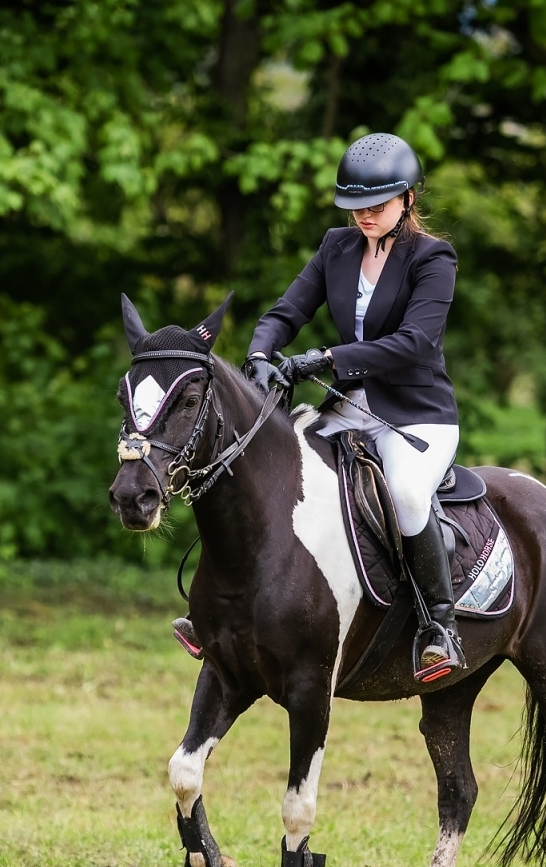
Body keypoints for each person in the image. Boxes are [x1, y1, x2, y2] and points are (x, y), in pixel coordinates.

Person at [175, 132, 463, 683]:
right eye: (356, 207)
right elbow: (286, 312)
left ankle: (438, 626)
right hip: (347, 410)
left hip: (416, 416)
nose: (364, 217)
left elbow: (415, 342)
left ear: (408, 199)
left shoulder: (433, 259)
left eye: (377, 206)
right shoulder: (337, 247)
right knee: (266, 471)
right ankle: (210, 610)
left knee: (404, 492)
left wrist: (325, 359)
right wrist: (261, 353)